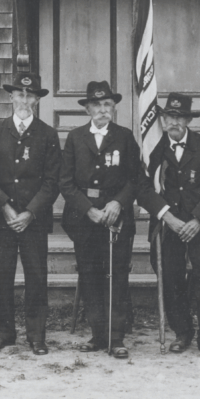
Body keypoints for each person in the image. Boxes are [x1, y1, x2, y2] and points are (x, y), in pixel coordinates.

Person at [141, 92, 200, 361]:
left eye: (180, 117)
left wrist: (198, 219)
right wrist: (167, 216)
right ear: (163, 120)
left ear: (188, 120)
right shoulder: (152, 149)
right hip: (168, 225)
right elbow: (143, 189)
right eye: (169, 117)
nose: (174, 122)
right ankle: (182, 332)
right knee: (170, 276)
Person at [59, 80, 143, 359]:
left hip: (116, 217)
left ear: (114, 108)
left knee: (116, 275)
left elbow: (135, 178)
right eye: (96, 105)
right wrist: (88, 210)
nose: (102, 110)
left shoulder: (125, 136)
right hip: (85, 218)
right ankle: (97, 334)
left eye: (107, 104)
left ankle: (116, 337)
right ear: (88, 109)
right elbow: (66, 182)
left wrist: (118, 202)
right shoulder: (75, 138)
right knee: (90, 273)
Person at [0, 72, 61, 355]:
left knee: (36, 277)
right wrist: (5, 206)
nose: (24, 99)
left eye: (30, 95)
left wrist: (30, 213)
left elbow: (53, 181)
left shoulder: (48, 135)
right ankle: (2, 332)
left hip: (33, 221)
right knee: (2, 276)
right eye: (19, 94)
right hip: (3, 219)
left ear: (37, 100)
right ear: (10, 97)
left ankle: (36, 335)